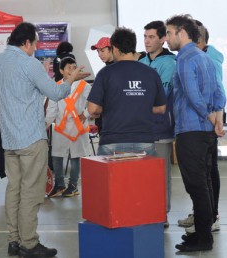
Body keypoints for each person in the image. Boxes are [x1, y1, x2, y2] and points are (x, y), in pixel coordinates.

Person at [0, 22, 89, 258]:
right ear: (25, 43)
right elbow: (55, 93)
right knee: (32, 193)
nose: (35, 48)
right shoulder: (29, 64)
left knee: (14, 190)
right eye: (34, 44)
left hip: (10, 140)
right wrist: (70, 79)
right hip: (31, 137)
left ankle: (14, 240)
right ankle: (29, 243)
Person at [165, 14, 225, 252]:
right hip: (206, 132)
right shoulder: (205, 57)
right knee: (205, 185)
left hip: (191, 130)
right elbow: (219, 91)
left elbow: (191, 92)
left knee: (197, 186)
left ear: (181, 32)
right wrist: (217, 116)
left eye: (169, 33)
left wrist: (207, 114)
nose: (167, 38)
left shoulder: (185, 58)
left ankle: (204, 239)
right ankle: (202, 233)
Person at [87, 27, 166, 156]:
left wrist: (115, 107)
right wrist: (137, 106)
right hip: (145, 140)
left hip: (112, 141)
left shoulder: (105, 73)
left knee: (113, 177)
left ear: (116, 49)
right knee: (144, 177)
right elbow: (161, 108)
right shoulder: (151, 73)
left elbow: (93, 109)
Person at [179, 20, 226, 234]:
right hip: (207, 120)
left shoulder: (206, 59)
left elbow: (218, 91)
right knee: (203, 174)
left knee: (207, 173)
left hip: (205, 122)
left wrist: (216, 118)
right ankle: (202, 215)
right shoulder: (201, 56)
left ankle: (210, 217)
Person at [139, 20, 176, 228]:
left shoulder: (170, 63)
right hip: (141, 129)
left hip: (161, 127)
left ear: (163, 39)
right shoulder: (141, 62)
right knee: (143, 175)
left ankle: (162, 214)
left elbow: (160, 95)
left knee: (161, 176)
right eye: (145, 36)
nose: (147, 41)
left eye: (151, 37)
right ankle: (146, 211)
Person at [45, 57, 91, 198]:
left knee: (76, 156)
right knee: (57, 156)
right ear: (61, 70)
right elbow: (52, 109)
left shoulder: (84, 85)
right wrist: (45, 125)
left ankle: (73, 185)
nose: (72, 70)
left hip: (78, 126)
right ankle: (59, 184)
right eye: (68, 68)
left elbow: (93, 101)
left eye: (74, 67)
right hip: (60, 127)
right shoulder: (56, 86)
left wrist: (86, 113)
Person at [90, 36, 115, 134]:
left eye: (102, 51)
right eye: (98, 51)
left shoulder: (117, 70)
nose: (99, 54)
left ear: (111, 49)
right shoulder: (104, 71)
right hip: (104, 121)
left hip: (113, 122)